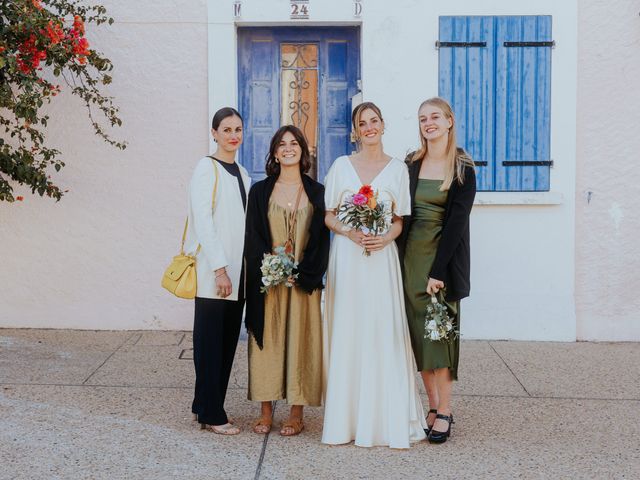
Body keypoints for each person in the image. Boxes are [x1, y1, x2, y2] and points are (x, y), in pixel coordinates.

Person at [321, 102, 427, 448]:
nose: (369, 127)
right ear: (355, 130)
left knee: (382, 330)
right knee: (350, 329)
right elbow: (329, 215)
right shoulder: (341, 166)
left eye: (374, 121)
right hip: (348, 259)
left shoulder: (398, 170)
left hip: (381, 260)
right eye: (362, 123)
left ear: (383, 125)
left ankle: (384, 419)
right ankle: (346, 421)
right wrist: (350, 233)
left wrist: (385, 237)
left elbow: (399, 221)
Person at [397, 97, 476, 444]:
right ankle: (431, 406)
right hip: (409, 258)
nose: (428, 123)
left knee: (439, 336)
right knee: (419, 337)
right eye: (423, 118)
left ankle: (445, 409)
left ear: (448, 121)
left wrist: (438, 271)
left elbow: (457, 224)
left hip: (440, 262)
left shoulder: (462, 167)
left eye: (434, 117)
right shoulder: (411, 162)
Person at [244, 125, 329, 437]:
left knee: (300, 343)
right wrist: (269, 268)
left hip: (302, 284)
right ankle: (266, 412)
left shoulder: (317, 193)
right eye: (282, 144)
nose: (288, 148)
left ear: (302, 151)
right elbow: (252, 235)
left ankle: (296, 412)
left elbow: (322, 241)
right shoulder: (259, 191)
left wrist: (304, 274)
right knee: (267, 344)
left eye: (294, 143)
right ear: (275, 152)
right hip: (269, 283)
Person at [186, 107, 251, 435]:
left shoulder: (241, 171)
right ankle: (212, 414)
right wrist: (220, 269)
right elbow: (204, 221)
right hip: (216, 274)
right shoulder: (206, 168)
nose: (233, 135)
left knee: (225, 344)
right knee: (210, 344)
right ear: (214, 133)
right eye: (226, 129)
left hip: (237, 275)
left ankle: (205, 406)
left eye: (238, 129)